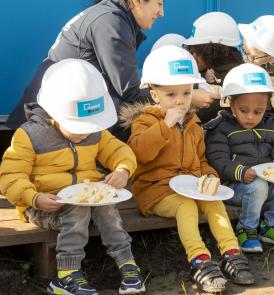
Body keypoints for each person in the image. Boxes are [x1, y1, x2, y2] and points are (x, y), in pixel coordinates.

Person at [0, 59, 143, 295]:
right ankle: (65, 276)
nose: (85, 132)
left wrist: (122, 169)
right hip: (43, 205)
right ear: (56, 114)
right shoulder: (29, 136)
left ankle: (127, 264)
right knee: (76, 210)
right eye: (78, 127)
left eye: (90, 126)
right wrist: (34, 198)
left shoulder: (94, 132)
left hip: (84, 200)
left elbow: (118, 150)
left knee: (108, 207)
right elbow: (10, 177)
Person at [121, 45, 254, 293]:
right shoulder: (145, 122)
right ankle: (200, 260)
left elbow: (201, 159)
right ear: (154, 95)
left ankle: (232, 252)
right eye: (171, 95)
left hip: (190, 185)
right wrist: (165, 125)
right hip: (156, 191)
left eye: (185, 92)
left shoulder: (193, 124)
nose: (180, 101)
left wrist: (210, 176)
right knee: (186, 206)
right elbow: (139, 152)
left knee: (214, 201)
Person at [6, 0, 164, 141]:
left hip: (45, 123)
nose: (161, 13)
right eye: (159, 3)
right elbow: (130, 93)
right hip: (40, 131)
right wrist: (179, 96)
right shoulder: (112, 22)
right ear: (136, 2)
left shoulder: (110, 16)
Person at [205, 64, 274, 253]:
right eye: (243, 110)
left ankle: (272, 224)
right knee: (258, 186)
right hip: (234, 186)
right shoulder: (221, 128)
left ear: (266, 107)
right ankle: (246, 229)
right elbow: (217, 159)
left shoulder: (271, 125)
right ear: (231, 104)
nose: (250, 117)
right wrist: (239, 172)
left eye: (258, 112)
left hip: (265, 183)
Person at [238, 15, 274, 136]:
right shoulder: (241, 69)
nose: (245, 59)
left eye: (252, 56)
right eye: (243, 50)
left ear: (271, 58)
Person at [183, 11, 243, 123]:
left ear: (211, 51)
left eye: (194, 49)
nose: (192, 54)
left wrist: (188, 98)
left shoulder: (231, 83)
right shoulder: (209, 73)